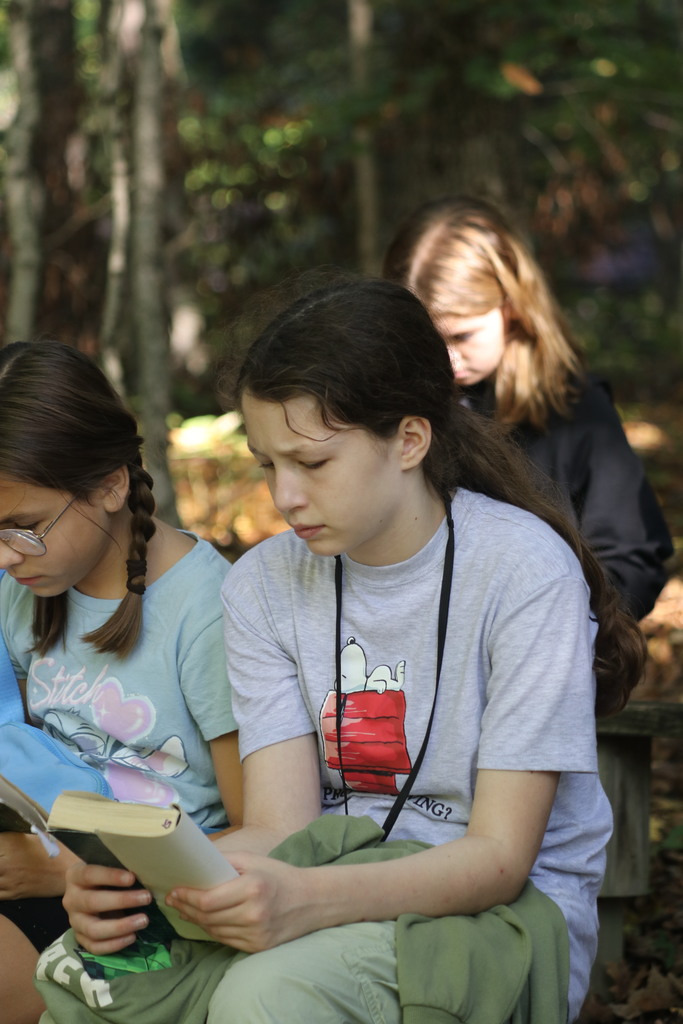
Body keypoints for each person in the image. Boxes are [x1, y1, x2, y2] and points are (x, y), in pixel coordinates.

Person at [62, 279, 647, 1024]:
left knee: (262, 998)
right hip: (330, 873)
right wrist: (133, 883)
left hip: (507, 912)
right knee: (94, 980)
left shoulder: (521, 573)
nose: (284, 497)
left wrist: (303, 902)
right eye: (267, 464)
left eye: (312, 464)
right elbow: (282, 826)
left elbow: (499, 858)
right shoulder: (262, 587)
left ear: (409, 440)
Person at [0, 341, 241, 1024]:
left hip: (152, 914)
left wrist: (59, 873)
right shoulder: (23, 591)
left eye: (23, 529)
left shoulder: (206, 611)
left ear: (108, 484)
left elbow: (264, 833)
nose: (4, 556)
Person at [382, 194, 673, 620]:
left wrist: (563, 633)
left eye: (462, 336)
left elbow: (631, 559)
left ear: (512, 309)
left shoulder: (574, 411)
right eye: (427, 336)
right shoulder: (389, 407)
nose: (446, 360)